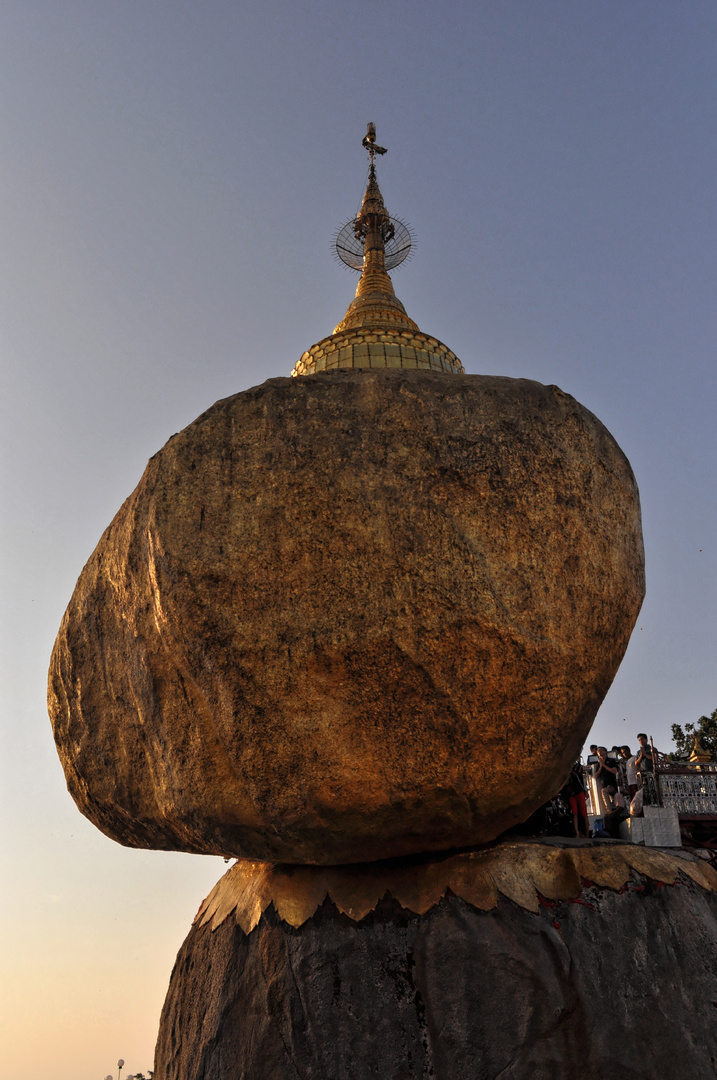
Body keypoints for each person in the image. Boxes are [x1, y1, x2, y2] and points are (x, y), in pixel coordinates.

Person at [592, 746, 618, 814]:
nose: (600, 752)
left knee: (609, 792)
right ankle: (609, 811)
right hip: (604, 784)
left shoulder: (611, 760)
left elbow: (614, 771)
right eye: (598, 752)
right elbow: (596, 775)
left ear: (605, 751)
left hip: (612, 783)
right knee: (604, 792)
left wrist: (604, 765)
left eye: (601, 751)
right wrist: (601, 766)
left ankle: (615, 809)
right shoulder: (598, 764)